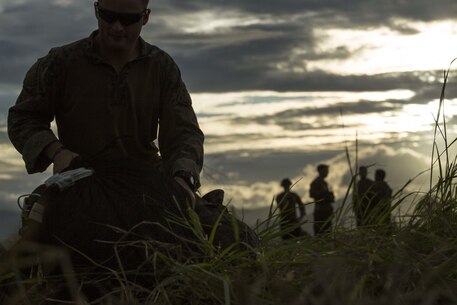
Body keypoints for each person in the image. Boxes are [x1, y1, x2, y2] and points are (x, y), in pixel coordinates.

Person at [6, 0, 259, 264]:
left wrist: (183, 178)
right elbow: (23, 118)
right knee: (36, 251)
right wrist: (56, 152)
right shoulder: (59, 63)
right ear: (96, 11)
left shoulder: (161, 66)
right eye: (108, 16)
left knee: (239, 241)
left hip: (150, 180)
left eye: (127, 20)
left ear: (145, 17)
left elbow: (184, 131)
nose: (117, 27)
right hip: (82, 179)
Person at [309, 164, 335, 235]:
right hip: (320, 212)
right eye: (325, 171)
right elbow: (312, 194)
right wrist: (322, 193)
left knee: (328, 232)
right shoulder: (315, 183)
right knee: (319, 232)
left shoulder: (325, 183)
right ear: (320, 171)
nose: (327, 172)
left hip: (327, 211)